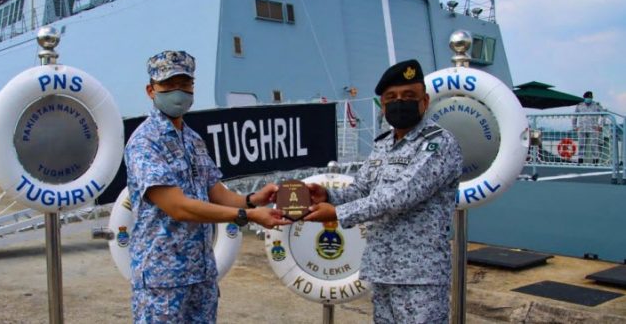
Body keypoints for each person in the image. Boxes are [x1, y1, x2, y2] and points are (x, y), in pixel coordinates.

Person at [125, 50, 290, 323]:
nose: (178, 92)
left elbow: (217, 193)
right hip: (162, 280)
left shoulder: (192, 139)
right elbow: (177, 207)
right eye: (168, 85)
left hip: (201, 274)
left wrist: (254, 199)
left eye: (184, 84)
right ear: (151, 90)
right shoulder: (145, 142)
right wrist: (247, 216)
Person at [304, 59, 463, 324]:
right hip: (382, 269)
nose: (400, 102)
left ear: (424, 102)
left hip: (419, 275)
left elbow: (400, 196)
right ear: (383, 106)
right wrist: (328, 195)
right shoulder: (383, 145)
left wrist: (337, 212)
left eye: (409, 96)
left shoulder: (438, 144)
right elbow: (362, 189)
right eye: (392, 97)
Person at [572, 91, 605, 164]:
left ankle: (595, 161)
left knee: (594, 145)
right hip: (582, 128)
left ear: (592, 98)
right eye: (587, 97)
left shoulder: (596, 105)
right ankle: (580, 161)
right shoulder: (579, 105)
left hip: (593, 128)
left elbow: (603, 115)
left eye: (590, 97)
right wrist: (574, 127)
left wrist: (600, 126)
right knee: (581, 145)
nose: (589, 99)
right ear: (584, 98)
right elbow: (574, 117)